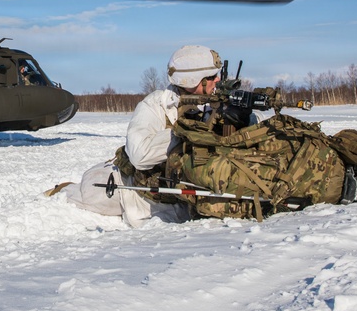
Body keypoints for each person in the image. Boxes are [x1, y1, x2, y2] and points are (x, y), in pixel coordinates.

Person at [60, 45, 236, 227]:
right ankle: (57, 192)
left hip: (192, 196)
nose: (218, 79)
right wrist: (188, 133)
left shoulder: (219, 105)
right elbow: (139, 155)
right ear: (192, 80)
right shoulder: (156, 104)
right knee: (87, 192)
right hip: (134, 189)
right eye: (211, 77)